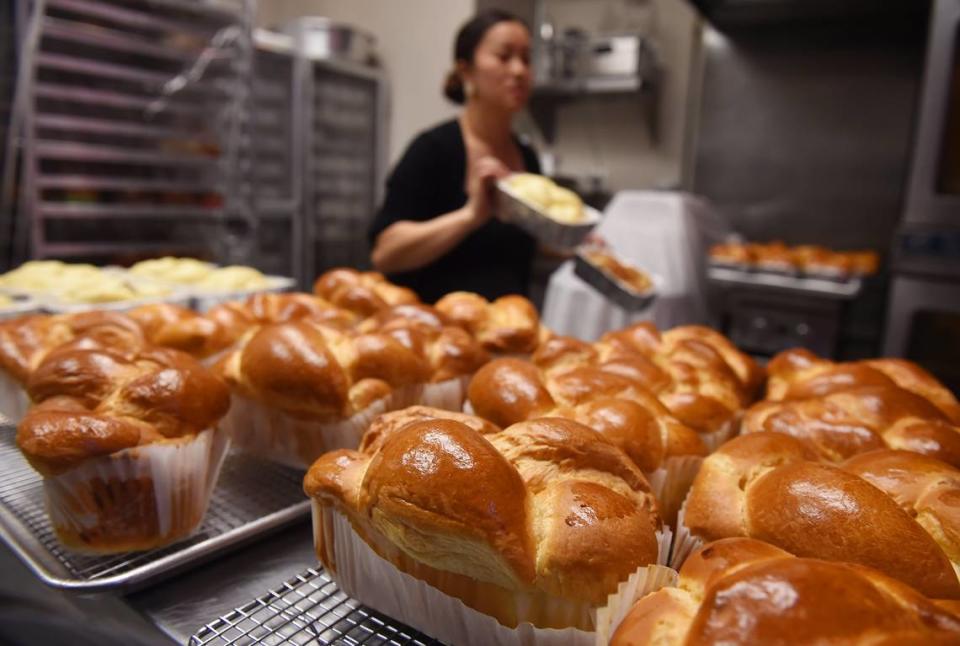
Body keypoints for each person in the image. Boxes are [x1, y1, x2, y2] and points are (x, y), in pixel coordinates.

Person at [368, 9, 539, 304]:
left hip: (509, 335)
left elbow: (520, 239)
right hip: (433, 336)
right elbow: (385, 254)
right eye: (504, 56)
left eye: (526, 58)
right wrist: (470, 216)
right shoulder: (433, 150)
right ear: (466, 71)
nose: (519, 70)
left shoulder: (528, 158)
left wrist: (572, 244)